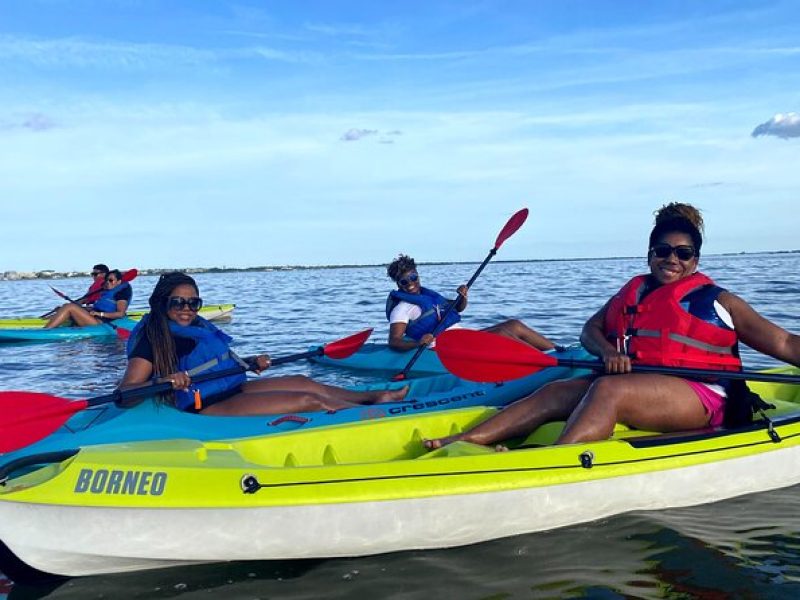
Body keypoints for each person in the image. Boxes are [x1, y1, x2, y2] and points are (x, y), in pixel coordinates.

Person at [425, 202, 800, 450]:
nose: (672, 259)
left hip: (709, 397)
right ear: (650, 254)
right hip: (643, 384)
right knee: (555, 392)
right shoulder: (634, 291)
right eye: (663, 251)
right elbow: (589, 330)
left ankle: (553, 463)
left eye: (683, 253)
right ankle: (467, 440)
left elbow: (783, 343)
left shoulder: (718, 301)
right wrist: (607, 351)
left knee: (608, 391)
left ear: (695, 260)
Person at [120, 272, 409, 415]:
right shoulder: (152, 336)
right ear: (161, 303)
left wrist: (247, 363)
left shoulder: (195, 325)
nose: (187, 308)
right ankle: (372, 415)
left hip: (229, 388)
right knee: (308, 401)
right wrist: (165, 380)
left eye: (193, 302)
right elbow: (127, 391)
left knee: (302, 381)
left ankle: (374, 397)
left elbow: (209, 363)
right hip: (203, 406)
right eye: (178, 302)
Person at [386, 254, 556, 352]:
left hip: (462, 339)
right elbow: (394, 341)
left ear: (418, 274)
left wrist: (463, 297)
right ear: (398, 284)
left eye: (413, 277)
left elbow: (457, 309)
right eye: (404, 282)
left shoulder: (429, 296)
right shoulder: (401, 309)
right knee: (502, 333)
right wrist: (418, 343)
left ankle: (558, 352)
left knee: (514, 325)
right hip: (446, 350)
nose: (411, 284)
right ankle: (546, 362)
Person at [44, 269, 132, 329]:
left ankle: (45, 331)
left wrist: (99, 314)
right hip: (94, 317)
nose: (108, 282)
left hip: (100, 322)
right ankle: (50, 322)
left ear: (119, 282)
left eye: (111, 280)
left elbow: (120, 314)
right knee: (65, 307)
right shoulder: (108, 291)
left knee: (69, 307)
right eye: (106, 280)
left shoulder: (122, 293)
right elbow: (100, 307)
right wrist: (87, 309)